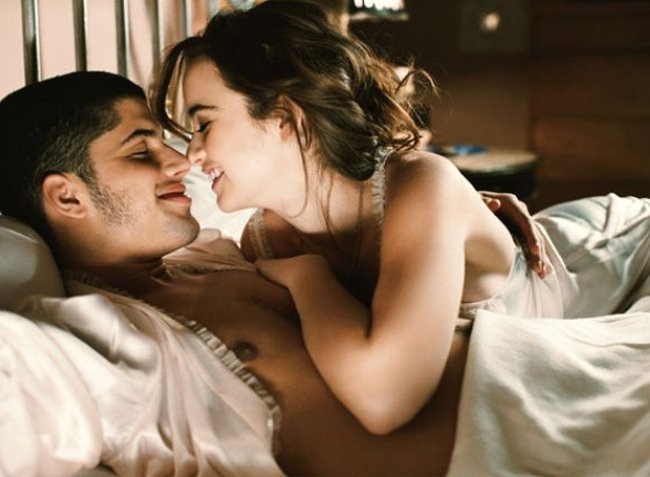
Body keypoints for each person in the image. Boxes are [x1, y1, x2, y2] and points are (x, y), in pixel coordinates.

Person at [2, 72, 649, 477]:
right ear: (67, 196)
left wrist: (461, 215)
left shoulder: (212, 252)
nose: (180, 161)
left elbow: (347, 225)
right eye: (141, 150)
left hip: (563, 374)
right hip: (532, 439)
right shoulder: (96, 339)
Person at [153, 0, 650, 437]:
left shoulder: (417, 190)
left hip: (615, 254)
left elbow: (385, 400)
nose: (191, 154)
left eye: (203, 123)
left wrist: (309, 278)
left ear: (283, 116)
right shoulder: (265, 243)